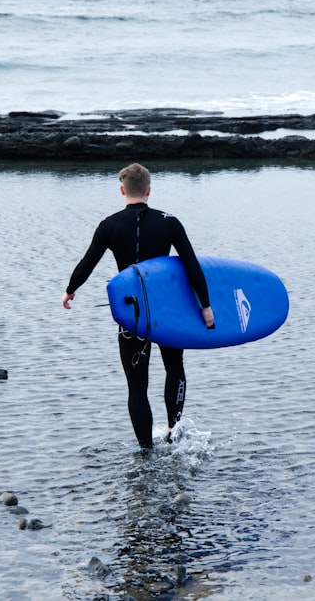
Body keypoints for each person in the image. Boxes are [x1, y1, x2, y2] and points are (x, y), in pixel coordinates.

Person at [62, 163, 214, 449]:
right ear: (149, 190)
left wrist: (70, 290)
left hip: (133, 316)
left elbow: (87, 264)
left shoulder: (109, 225)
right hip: (166, 312)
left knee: (136, 386)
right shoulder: (169, 222)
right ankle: (174, 432)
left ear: (122, 191)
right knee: (174, 368)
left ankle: (146, 450)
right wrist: (205, 306)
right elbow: (192, 266)